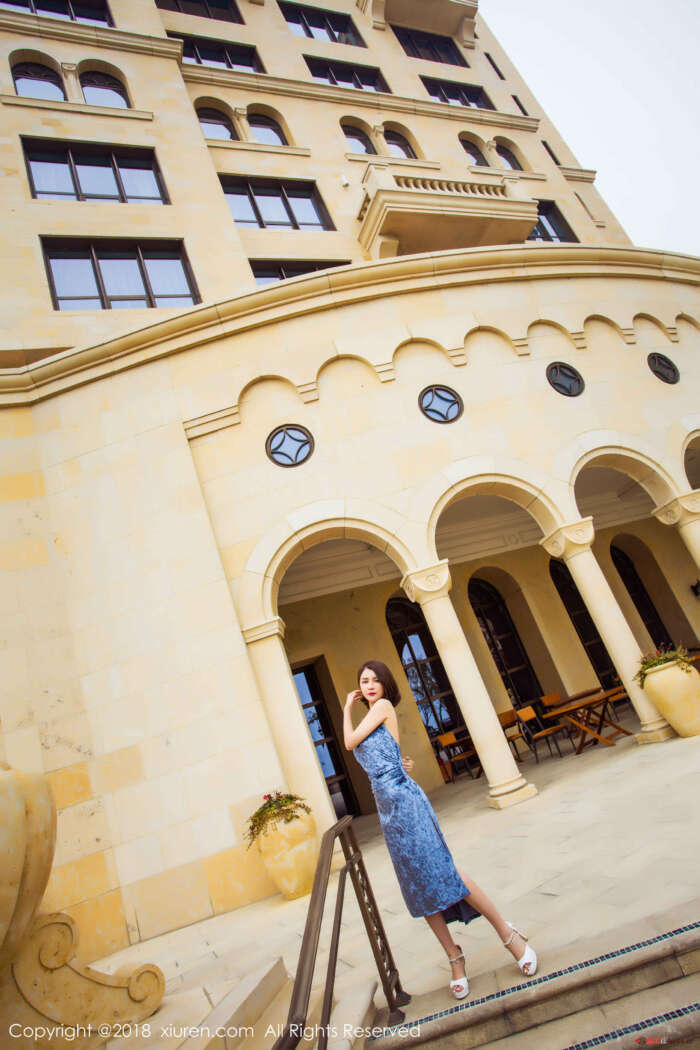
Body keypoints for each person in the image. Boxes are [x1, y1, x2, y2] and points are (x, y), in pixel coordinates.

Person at [343, 659, 537, 1000]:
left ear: (385, 685)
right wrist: (399, 763)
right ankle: (454, 957)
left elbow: (348, 742)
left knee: (445, 870)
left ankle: (508, 935)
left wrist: (346, 708)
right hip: (388, 812)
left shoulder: (382, 706)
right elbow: (385, 755)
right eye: (364, 681)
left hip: (407, 803)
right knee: (418, 885)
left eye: (374, 680)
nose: (369, 685)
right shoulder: (373, 718)